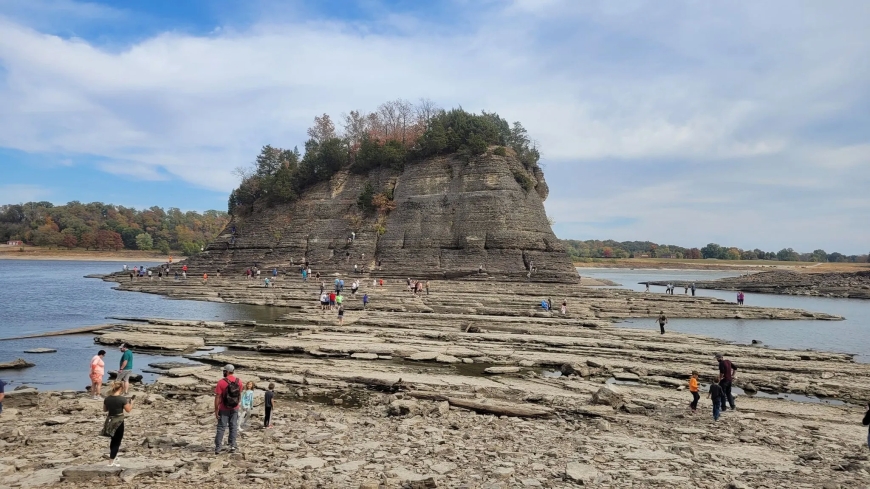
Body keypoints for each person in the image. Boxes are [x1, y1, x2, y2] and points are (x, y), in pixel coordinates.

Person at [102, 381, 132, 466]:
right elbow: (128, 410)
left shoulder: (107, 398)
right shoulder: (122, 399)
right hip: (119, 420)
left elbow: (105, 410)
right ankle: (111, 461)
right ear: (121, 388)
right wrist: (131, 403)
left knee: (113, 439)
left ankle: (113, 456)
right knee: (117, 441)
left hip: (110, 420)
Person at [214, 364, 243, 454]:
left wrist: (216, 409)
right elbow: (239, 394)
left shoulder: (221, 382)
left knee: (221, 427)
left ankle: (218, 447)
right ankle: (232, 445)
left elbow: (218, 397)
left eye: (224, 371)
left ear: (226, 371)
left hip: (224, 408)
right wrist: (237, 404)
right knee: (233, 426)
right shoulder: (239, 381)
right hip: (235, 407)